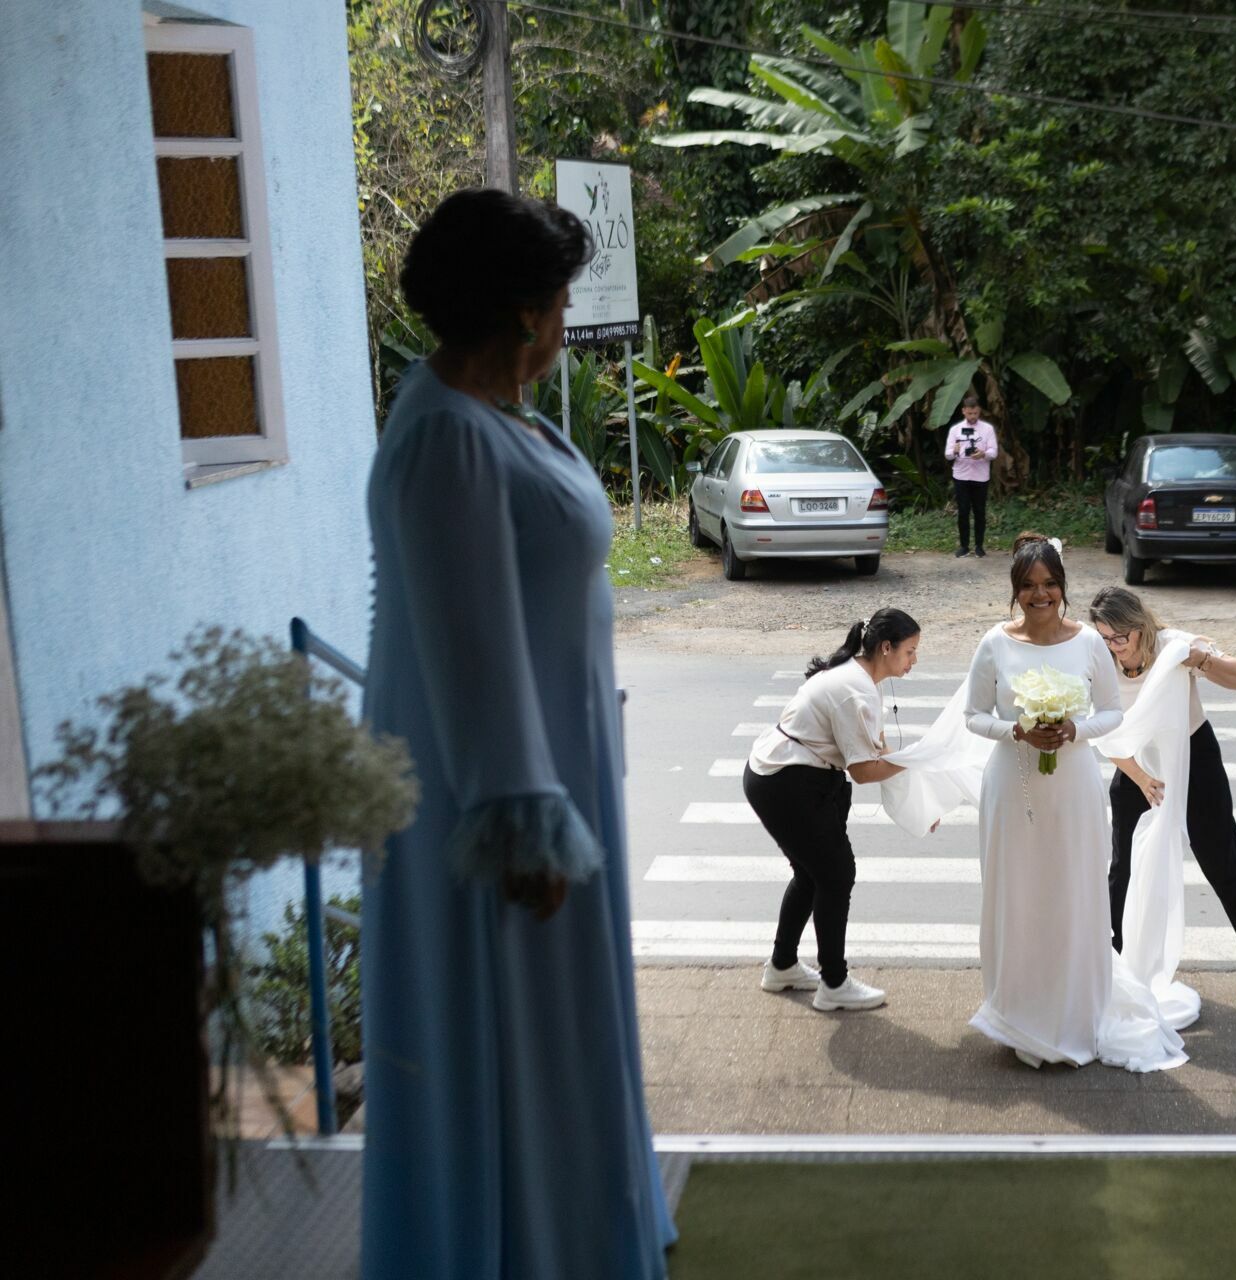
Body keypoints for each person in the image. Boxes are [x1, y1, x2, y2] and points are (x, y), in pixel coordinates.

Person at [361, 188, 674, 1279]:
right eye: (559, 296)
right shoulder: (447, 438)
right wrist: (522, 827)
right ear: (526, 311)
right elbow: (468, 648)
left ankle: (578, 1239)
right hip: (501, 813)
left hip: (555, 773)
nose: (566, 314)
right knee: (520, 1046)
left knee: (563, 1041)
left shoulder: (498, 412)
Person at [959, 533, 1186, 1072]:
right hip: (1013, 789)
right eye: (1029, 587)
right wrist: (1017, 730)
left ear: (1063, 587)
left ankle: (1074, 1013)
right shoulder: (994, 643)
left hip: (1075, 787)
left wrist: (1074, 730)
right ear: (1016, 592)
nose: (1041, 595)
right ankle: (1018, 1011)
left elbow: (1112, 713)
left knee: (1073, 893)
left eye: (1050, 585)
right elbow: (972, 715)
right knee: (1018, 895)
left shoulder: (1087, 642)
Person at [1087, 587, 1236, 1006]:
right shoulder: (1099, 662)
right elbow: (1102, 733)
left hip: (1193, 755)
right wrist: (1140, 777)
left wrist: (1202, 661)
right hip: (1137, 765)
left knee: (1221, 855)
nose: (1114, 648)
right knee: (1123, 866)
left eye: (1120, 638)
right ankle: (1113, 964)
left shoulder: (1174, 644)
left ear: (1140, 627)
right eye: (1105, 639)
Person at [745, 609, 920, 1012]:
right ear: (886, 647)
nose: (914, 661)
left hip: (783, 775)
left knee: (813, 875)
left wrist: (919, 795)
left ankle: (783, 966)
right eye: (910, 652)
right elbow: (863, 770)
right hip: (786, 782)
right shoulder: (855, 689)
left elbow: (877, 751)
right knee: (837, 873)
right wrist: (914, 761)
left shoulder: (862, 677)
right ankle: (834, 983)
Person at [944, 393, 999, 557]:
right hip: (961, 475)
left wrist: (983, 454)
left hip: (981, 476)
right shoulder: (955, 430)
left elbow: (994, 451)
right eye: (969, 413)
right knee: (963, 511)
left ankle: (979, 546)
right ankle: (964, 546)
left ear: (979, 411)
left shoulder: (987, 429)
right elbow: (947, 454)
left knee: (980, 512)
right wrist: (954, 451)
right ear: (963, 411)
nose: (972, 416)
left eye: (975, 413)